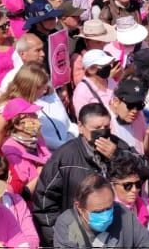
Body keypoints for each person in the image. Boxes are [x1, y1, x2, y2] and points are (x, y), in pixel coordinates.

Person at [33, 103, 127, 246]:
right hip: (76, 236)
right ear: (81, 127)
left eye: (107, 128)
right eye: (96, 129)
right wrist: (58, 240)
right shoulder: (64, 157)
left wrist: (117, 156)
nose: (103, 133)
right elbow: (44, 202)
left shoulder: (117, 146)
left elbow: (144, 168)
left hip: (114, 233)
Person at [53, 173, 149, 249]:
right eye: (98, 212)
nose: (105, 215)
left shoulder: (123, 213)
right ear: (79, 207)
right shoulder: (67, 225)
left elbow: (148, 244)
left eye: (108, 208)